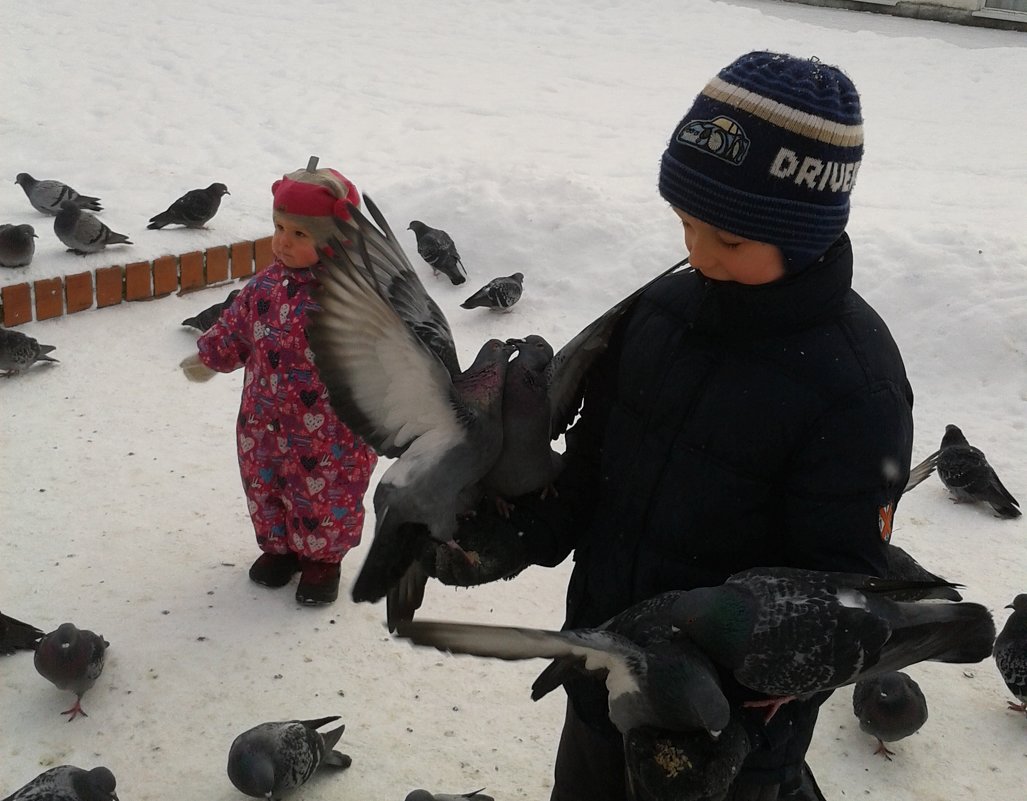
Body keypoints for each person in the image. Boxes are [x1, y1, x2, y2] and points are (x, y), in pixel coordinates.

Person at [421, 51, 915, 800]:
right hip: (601, 683)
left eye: (730, 240)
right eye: (685, 222)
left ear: (805, 229)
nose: (697, 253)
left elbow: (834, 607)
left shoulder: (854, 386)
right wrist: (512, 529)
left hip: (730, 741)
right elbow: (589, 479)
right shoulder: (654, 317)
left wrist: (731, 727)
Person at [181, 161, 378, 605]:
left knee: (326, 498)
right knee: (264, 483)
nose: (283, 242)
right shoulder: (266, 285)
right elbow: (236, 328)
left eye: (300, 234)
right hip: (263, 420)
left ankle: (322, 562)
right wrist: (209, 358)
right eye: (279, 227)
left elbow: (386, 360)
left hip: (331, 434)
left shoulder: (356, 298)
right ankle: (280, 548)